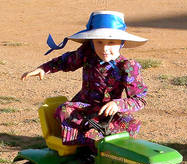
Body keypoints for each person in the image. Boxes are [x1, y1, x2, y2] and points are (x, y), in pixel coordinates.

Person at [21, 11, 148, 149]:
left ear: (121, 43)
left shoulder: (128, 67)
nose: (105, 48)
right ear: (92, 43)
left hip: (109, 113)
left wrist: (118, 104)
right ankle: (82, 149)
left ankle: (98, 145)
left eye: (111, 42)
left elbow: (139, 99)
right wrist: (44, 68)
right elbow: (66, 61)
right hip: (83, 109)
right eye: (99, 42)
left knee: (123, 129)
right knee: (65, 111)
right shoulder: (87, 55)